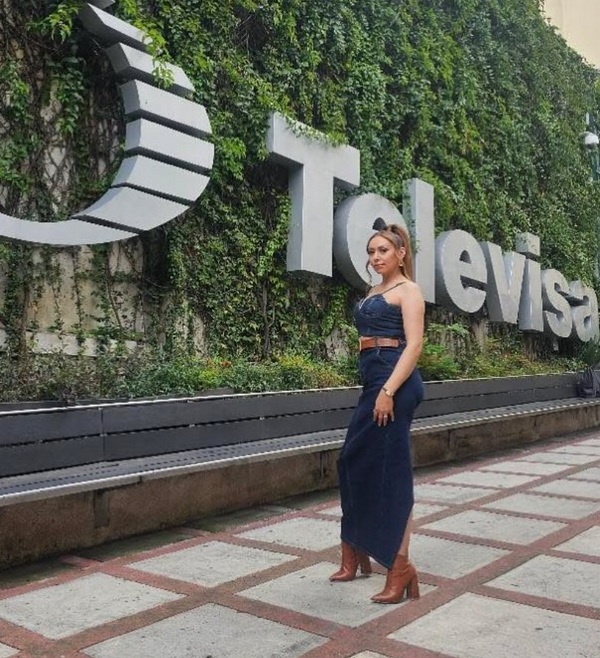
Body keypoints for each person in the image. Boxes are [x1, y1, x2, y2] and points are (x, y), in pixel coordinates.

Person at [330, 219, 425, 604]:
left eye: (382, 250)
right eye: (371, 251)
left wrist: (388, 391)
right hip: (374, 381)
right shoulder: (374, 291)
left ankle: (400, 567)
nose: (375, 257)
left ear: (400, 254)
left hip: (394, 384)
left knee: (392, 473)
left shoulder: (409, 290)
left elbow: (414, 346)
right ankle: (356, 549)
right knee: (350, 462)